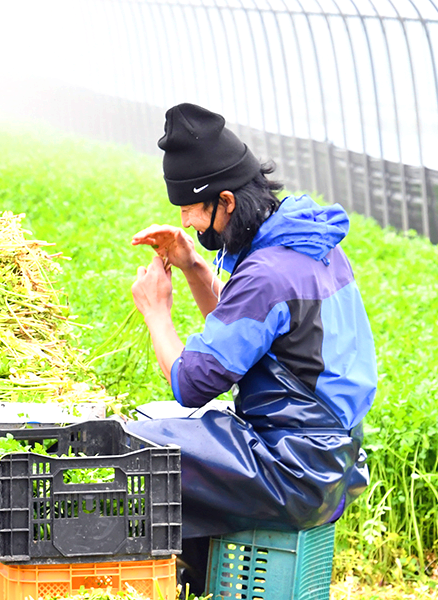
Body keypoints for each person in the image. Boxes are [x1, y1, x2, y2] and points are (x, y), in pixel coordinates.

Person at [124, 103, 375, 595]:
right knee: (178, 443)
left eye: (191, 212)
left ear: (226, 202)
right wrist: (195, 266)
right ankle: (198, 585)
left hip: (292, 468)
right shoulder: (305, 244)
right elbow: (241, 339)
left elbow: (193, 383)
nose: (188, 223)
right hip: (328, 459)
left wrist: (156, 310)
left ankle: (183, 587)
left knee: (143, 450)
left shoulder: (266, 273)